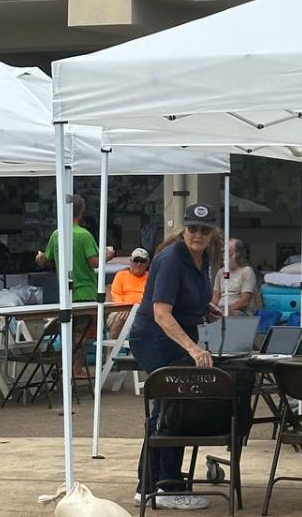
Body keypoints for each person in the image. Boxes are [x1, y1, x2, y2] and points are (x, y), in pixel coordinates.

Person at [128, 203, 221, 510]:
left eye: (204, 230)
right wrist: (193, 348)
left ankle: (156, 483)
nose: (198, 234)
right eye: (193, 228)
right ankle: (161, 487)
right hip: (157, 339)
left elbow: (184, 298)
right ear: (184, 229)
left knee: (175, 407)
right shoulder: (170, 259)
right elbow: (161, 313)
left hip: (178, 339)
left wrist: (204, 308)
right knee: (170, 407)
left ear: (212, 233)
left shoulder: (203, 258)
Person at [36, 194, 114, 377]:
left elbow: (46, 260)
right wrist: (108, 254)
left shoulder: (57, 235)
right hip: (85, 291)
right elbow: (95, 262)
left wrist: (38, 257)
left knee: (69, 332)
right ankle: (78, 370)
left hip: (66, 293)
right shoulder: (84, 235)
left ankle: (70, 370)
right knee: (84, 334)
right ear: (82, 212)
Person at [107, 248, 150, 337]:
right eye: (136, 260)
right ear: (131, 261)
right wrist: (124, 307)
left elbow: (150, 296)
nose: (139, 264)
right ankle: (111, 350)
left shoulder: (151, 277)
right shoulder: (121, 275)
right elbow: (116, 294)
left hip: (143, 310)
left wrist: (135, 309)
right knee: (120, 317)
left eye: (142, 261)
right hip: (121, 308)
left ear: (147, 263)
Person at [211, 238, 258, 316]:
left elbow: (244, 301)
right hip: (221, 310)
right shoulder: (221, 272)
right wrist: (212, 310)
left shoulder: (246, 271)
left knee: (231, 314)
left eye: (229, 251)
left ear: (238, 253)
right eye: (224, 251)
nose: (224, 254)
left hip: (239, 312)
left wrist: (227, 311)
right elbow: (215, 297)